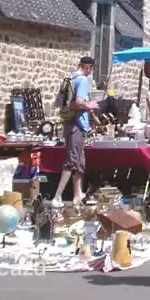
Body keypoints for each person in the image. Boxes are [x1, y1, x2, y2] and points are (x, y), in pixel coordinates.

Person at [52, 56, 98, 206]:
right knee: (71, 161)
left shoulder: (70, 77)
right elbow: (78, 102)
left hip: (70, 122)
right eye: (92, 68)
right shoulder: (83, 80)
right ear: (89, 67)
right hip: (76, 125)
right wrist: (89, 105)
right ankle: (57, 197)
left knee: (79, 161)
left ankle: (78, 195)